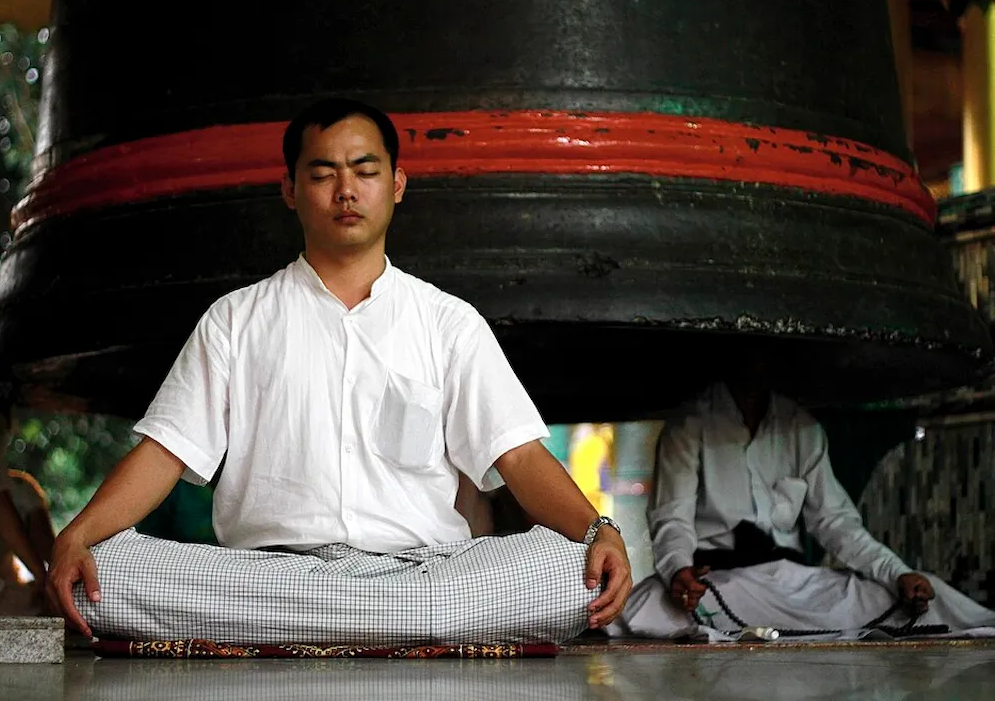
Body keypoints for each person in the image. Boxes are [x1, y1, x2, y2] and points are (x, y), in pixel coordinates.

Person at [47, 97, 632, 645]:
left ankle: (355, 621)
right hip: (269, 580)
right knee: (109, 565)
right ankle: (376, 624)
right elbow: (165, 451)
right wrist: (76, 534)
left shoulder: (448, 322)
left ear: (397, 185)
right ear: (290, 190)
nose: (345, 190)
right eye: (323, 173)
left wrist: (596, 530)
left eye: (365, 170)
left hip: (424, 578)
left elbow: (520, 456)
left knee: (564, 566)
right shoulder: (236, 320)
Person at [610, 352, 995, 640]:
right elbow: (671, 519)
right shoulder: (689, 425)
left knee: (916, 593)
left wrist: (896, 572)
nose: (756, 358)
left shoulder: (803, 429)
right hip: (724, 582)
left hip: (796, 585)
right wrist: (680, 571)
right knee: (644, 606)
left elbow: (837, 524)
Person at [0, 406, 55, 585]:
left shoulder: (21, 488)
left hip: (2, 587)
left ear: (10, 432)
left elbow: (46, 546)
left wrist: (45, 581)